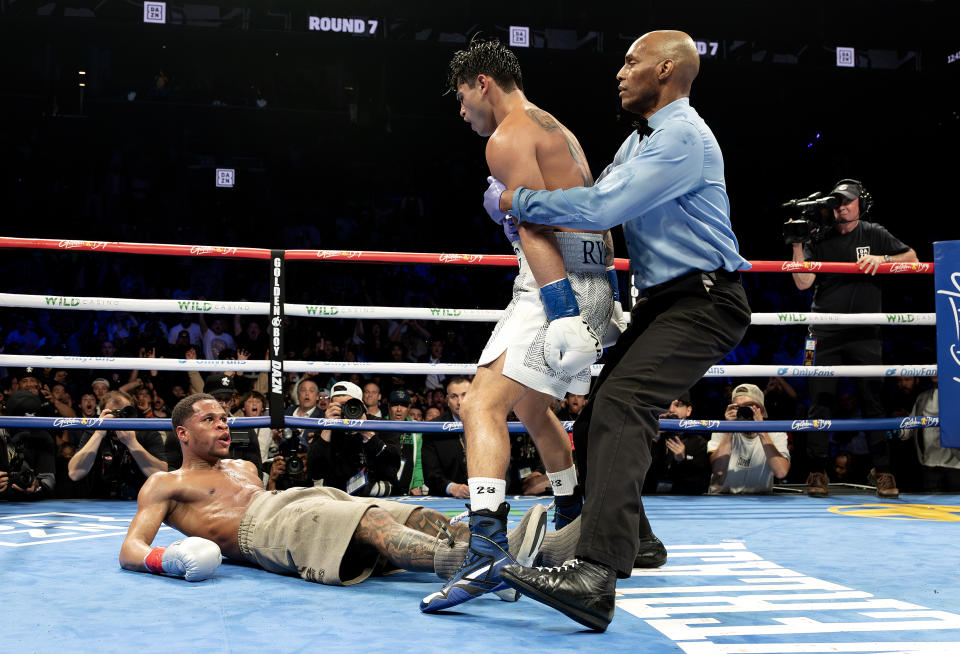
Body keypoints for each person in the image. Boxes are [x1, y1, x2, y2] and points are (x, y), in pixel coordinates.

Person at [487, 30, 752, 631]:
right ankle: (639, 540)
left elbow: (601, 210)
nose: (619, 72)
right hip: (667, 299)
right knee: (603, 404)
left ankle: (594, 574)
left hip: (704, 298)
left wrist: (515, 199)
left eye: (631, 62)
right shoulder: (643, 140)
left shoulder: (680, 137)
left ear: (664, 70)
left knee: (623, 405)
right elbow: (588, 198)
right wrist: (526, 201)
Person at [422, 37, 623, 614]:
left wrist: (562, 310)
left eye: (462, 99)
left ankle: (486, 552)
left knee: (480, 403)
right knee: (532, 408)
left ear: (481, 81)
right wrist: (593, 298)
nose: (463, 114)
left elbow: (536, 230)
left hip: (554, 284)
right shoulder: (551, 125)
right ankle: (570, 515)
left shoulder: (508, 138)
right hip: (590, 277)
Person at [118, 393, 552, 589]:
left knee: (408, 513)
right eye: (209, 420)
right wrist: (167, 560)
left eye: (224, 418)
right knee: (370, 521)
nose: (223, 425)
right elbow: (131, 549)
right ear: (182, 433)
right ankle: (471, 565)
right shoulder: (166, 484)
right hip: (260, 531)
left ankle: (516, 550)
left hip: (295, 501)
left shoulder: (244, 465)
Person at [790, 178, 918, 499]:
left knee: (872, 400)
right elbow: (803, 283)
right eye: (836, 203)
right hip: (824, 330)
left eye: (847, 202)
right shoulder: (819, 236)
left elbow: (913, 259)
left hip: (865, 331)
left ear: (860, 203)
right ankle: (817, 470)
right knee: (820, 400)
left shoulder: (874, 233)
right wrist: (795, 243)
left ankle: (883, 471)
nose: (841, 207)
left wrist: (883, 260)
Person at [68, 390, 168, 499]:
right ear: (101, 414)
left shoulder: (147, 432)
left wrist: (132, 443)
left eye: (125, 413)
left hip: (141, 500)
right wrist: (99, 433)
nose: (119, 418)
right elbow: (74, 473)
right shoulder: (94, 432)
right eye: (113, 413)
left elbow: (162, 476)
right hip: (98, 501)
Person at [307, 381, 400, 497]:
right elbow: (314, 471)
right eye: (339, 406)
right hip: (339, 498)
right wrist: (327, 428)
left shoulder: (381, 425)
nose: (346, 410)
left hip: (377, 497)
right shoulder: (325, 428)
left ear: (361, 404)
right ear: (331, 406)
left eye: (349, 404)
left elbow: (394, 466)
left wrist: (366, 433)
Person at [707, 384, 790, 494]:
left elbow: (781, 472)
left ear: (761, 409)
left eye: (749, 405)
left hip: (759, 500)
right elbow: (719, 470)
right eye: (738, 407)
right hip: (723, 496)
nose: (743, 411)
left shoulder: (775, 432)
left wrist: (761, 430)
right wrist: (729, 429)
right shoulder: (721, 429)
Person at [644, 391, 711, 495]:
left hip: (683, 500)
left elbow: (700, 485)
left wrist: (682, 461)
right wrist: (654, 440)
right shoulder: (648, 436)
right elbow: (638, 479)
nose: (671, 410)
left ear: (688, 410)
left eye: (677, 405)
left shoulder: (698, 442)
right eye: (667, 404)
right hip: (650, 497)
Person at [422, 376, 471, 499]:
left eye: (464, 395)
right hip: (445, 498)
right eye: (454, 396)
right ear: (447, 400)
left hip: (485, 495)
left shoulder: (488, 424)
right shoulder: (433, 428)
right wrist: (452, 487)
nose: (460, 402)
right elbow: (430, 473)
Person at [388, 388, 428, 495]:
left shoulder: (415, 428)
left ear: (409, 408)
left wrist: (417, 484)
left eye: (404, 405)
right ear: (389, 406)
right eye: (395, 404)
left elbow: (418, 460)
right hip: (385, 489)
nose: (399, 409)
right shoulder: (379, 425)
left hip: (408, 490)